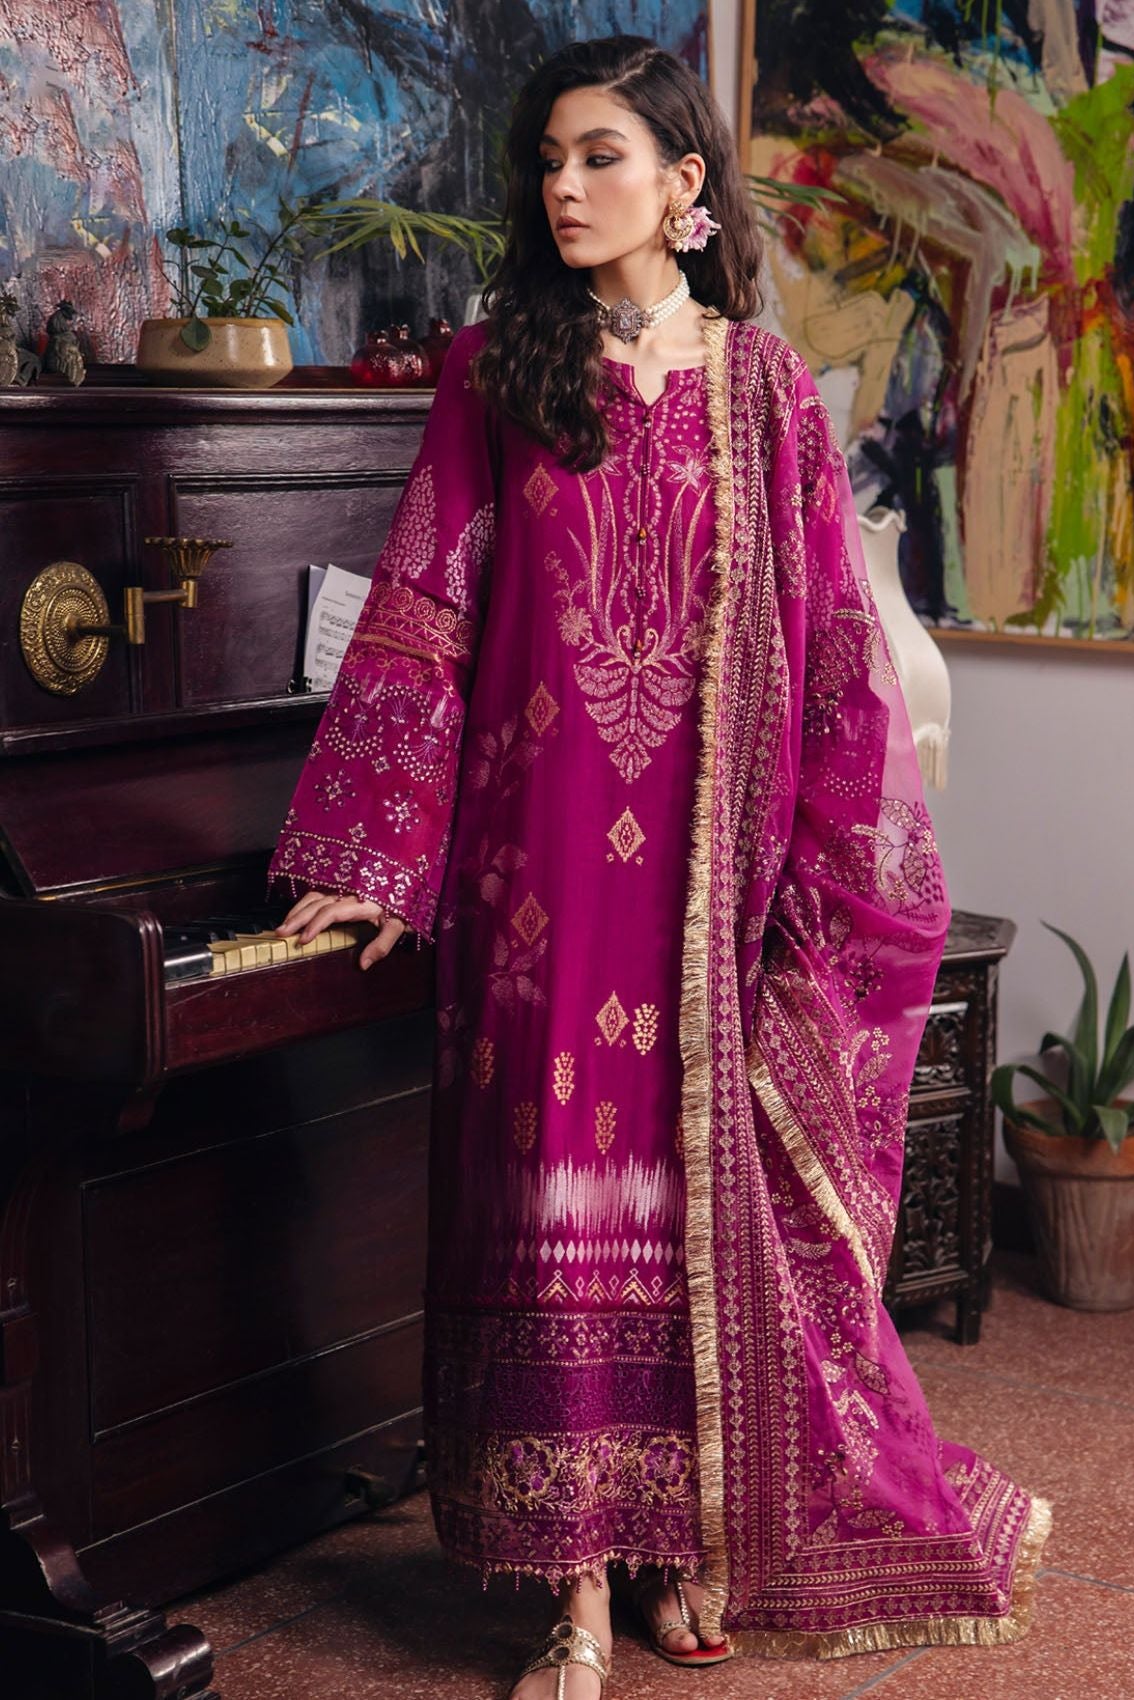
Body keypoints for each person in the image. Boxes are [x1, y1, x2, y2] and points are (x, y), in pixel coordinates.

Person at [267, 33, 1052, 1700]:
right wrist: (375, 852)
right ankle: (569, 1590)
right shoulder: (495, 372)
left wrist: (838, 871)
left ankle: (692, 1532)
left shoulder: (762, 388)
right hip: (538, 885)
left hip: (712, 881)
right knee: (556, 1206)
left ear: (685, 182)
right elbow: (424, 611)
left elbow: (832, 649)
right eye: (548, 160)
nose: (563, 188)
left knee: (701, 1206)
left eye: (600, 156)